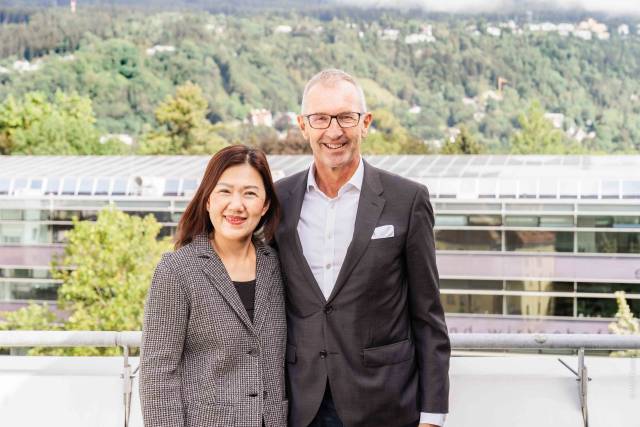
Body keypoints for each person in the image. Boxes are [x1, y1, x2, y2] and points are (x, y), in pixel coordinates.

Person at [274, 69, 451, 427]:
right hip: (298, 405)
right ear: (303, 125)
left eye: (345, 117)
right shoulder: (278, 200)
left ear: (365, 123)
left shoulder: (407, 199)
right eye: (320, 118)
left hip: (383, 404)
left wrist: (432, 416)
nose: (334, 131)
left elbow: (428, 316)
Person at [140, 145, 287, 427]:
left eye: (250, 193)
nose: (236, 205)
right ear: (207, 200)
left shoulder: (278, 266)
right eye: (225, 191)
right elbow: (157, 374)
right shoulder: (178, 270)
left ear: (265, 204)